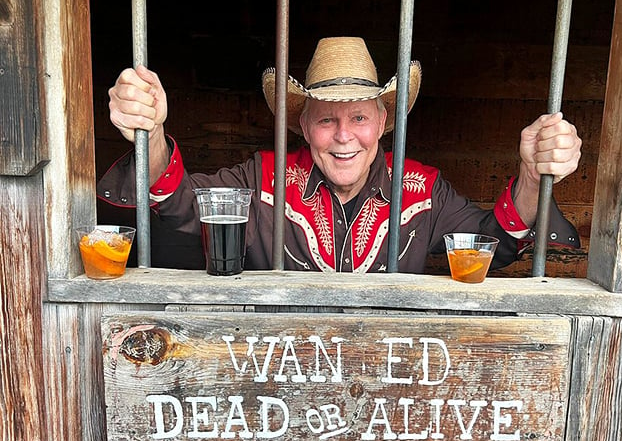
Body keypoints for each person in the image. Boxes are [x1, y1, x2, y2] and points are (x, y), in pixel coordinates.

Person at [98, 36, 582, 273]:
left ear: (384, 124)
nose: (344, 136)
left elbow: (490, 243)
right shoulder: (261, 178)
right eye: (327, 118)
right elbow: (179, 202)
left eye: (359, 118)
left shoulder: (422, 190)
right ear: (303, 126)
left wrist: (532, 175)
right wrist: (151, 132)